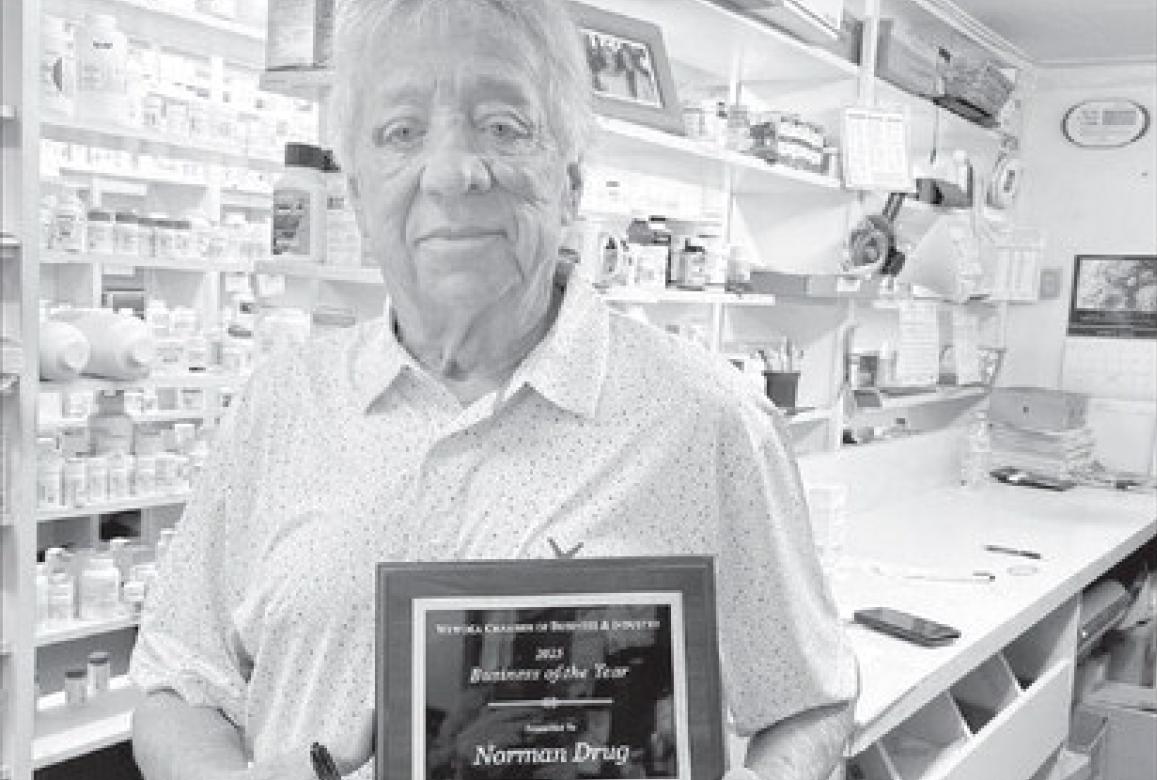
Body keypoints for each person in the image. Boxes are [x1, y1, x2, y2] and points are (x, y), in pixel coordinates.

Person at [128, 1, 858, 778]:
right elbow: (180, 680)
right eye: (401, 132)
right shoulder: (279, 406)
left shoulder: (707, 421)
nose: (452, 173)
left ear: (571, 182)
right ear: (355, 194)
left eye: (504, 127)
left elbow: (810, 702)